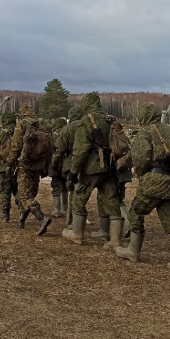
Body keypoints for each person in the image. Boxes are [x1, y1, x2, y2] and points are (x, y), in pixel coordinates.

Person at [115, 103, 170, 272]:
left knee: (135, 212)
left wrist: (138, 172)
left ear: (143, 116)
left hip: (154, 179)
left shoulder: (146, 132)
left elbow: (141, 158)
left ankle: (133, 251)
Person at [62, 93, 122, 247]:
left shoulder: (86, 121)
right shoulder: (110, 119)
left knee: (79, 199)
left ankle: (77, 235)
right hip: (109, 168)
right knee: (112, 201)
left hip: (91, 169)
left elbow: (81, 150)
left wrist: (74, 171)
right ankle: (115, 241)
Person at [6, 104, 53, 235]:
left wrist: (9, 163)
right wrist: (46, 166)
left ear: (22, 114)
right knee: (29, 193)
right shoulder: (44, 125)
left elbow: (15, 147)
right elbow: (51, 149)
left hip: (25, 165)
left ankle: (42, 218)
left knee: (25, 196)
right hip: (38, 165)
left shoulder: (22, 125)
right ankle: (21, 220)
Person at [52, 106, 84, 230]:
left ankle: (71, 222)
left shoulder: (67, 129)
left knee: (72, 192)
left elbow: (59, 150)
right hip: (87, 164)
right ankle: (79, 219)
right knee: (82, 193)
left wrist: (55, 164)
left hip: (71, 164)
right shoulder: (88, 126)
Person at [49, 117, 69, 218]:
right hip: (66, 164)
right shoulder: (67, 132)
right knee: (65, 186)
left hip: (55, 163)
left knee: (56, 186)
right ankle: (65, 209)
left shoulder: (52, 135)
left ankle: (57, 210)